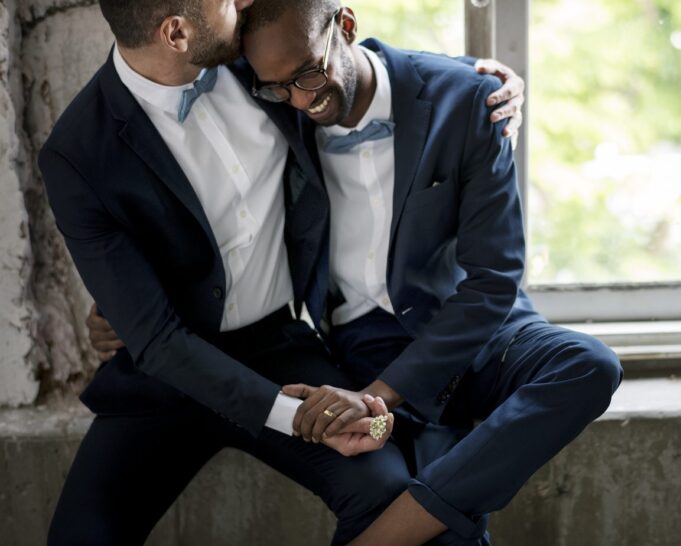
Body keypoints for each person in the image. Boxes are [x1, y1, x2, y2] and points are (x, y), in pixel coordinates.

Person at [40, 0, 524, 544]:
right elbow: (157, 340)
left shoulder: (257, 66)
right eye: (224, 1)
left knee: (387, 491)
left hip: (282, 353)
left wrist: (473, 80)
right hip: (163, 373)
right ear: (175, 33)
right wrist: (292, 416)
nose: (244, 3)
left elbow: (338, 55)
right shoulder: (77, 153)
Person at [237, 2, 623, 545]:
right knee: (447, 536)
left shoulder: (467, 99)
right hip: (364, 342)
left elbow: (494, 280)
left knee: (590, 364)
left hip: (479, 327)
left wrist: (376, 396)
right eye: (280, 88)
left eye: (308, 74)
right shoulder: (272, 97)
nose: (301, 99)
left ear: (345, 27)